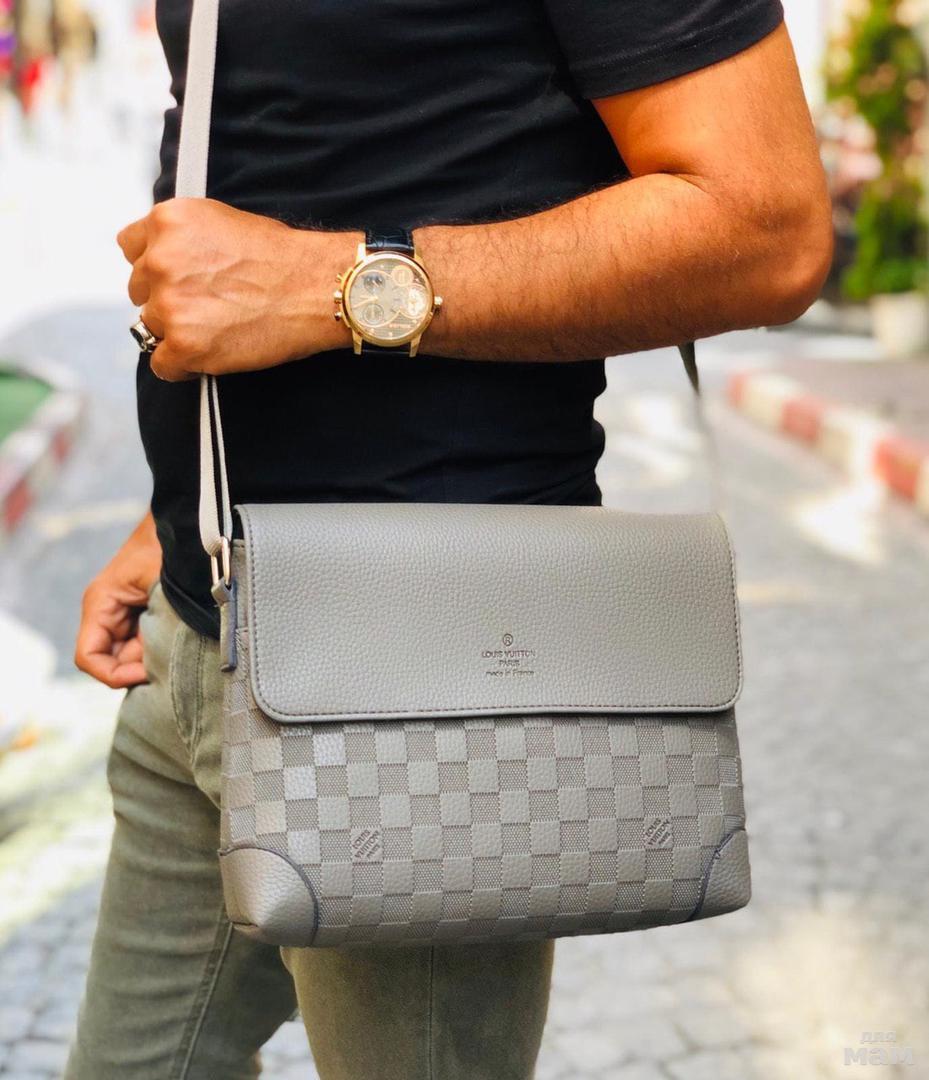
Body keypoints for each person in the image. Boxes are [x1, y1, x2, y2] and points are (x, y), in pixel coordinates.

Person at [67, 1, 832, 1077]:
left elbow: (766, 228)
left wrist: (336, 287)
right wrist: (179, 510)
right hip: (204, 623)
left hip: (424, 692)